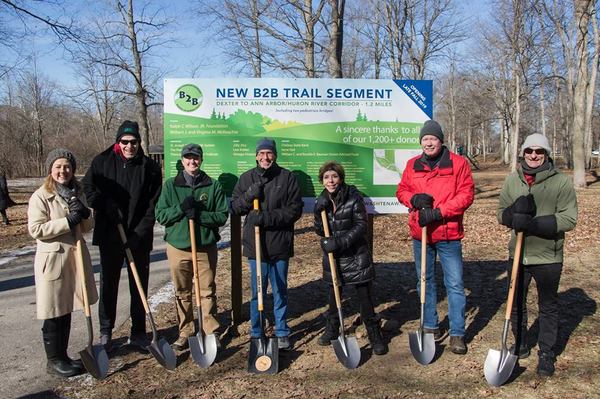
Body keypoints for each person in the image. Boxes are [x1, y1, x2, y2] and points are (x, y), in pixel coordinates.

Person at [497, 133, 577, 377]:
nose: (533, 155)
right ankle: (520, 342)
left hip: (548, 257)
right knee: (516, 302)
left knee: (548, 306)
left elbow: (569, 218)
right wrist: (512, 215)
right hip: (518, 255)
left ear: (546, 154)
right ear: (523, 152)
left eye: (539, 151)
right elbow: (501, 213)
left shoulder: (560, 183)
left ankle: (546, 353)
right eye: (529, 151)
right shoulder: (513, 180)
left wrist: (533, 224)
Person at [396, 119, 474, 355]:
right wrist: (414, 200)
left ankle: (458, 333)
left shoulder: (458, 164)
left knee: (455, 283)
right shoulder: (412, 165)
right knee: (424, 280)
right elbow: (401, 190)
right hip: (421, 234)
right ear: (421, 142)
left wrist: (439, 212)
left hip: (448, 233)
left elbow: (466, 195)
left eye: (433, 139)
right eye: (425, 139)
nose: (429, 143)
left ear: (441, 141)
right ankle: (430, 325)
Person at [83, 120, 162, 352]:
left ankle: (138, 332)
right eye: (125, 142)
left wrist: (139, 233)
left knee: (139, 285)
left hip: (138, 236)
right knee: (109, 284)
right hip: (110, 233)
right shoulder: (102, 162)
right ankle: (106, 332)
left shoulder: (150, 168)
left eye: (134, 142)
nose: (129, 146)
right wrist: (104, 203)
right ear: (118, 142)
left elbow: (152, 204)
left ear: (139, 143)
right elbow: (88, 188)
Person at [28, 149, 98, 377]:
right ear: (51, 169)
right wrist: (66, 221)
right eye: (58, 167)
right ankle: (54, 359)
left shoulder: (77, 192)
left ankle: (64, 355)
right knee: (53, 310)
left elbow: (86, 228)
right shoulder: (41, 196)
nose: (63, 171)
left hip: (73, 258)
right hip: (53, 259)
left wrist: (86, 215)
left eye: (67, 167)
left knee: (66, 307)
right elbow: (36, 229)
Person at [230, 138, 302, 350]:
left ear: (275, 155)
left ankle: (281, 330)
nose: (265, 157)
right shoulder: (246, 178)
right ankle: (256, 330)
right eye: (261, 153)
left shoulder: (287, 178)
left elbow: (294, 210)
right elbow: (234, 207)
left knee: (280, 289)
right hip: (256, 246)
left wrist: (267, 218)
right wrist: (250, 195)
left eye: (269, 153)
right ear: (255, 156)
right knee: (257, 291)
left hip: (279, 244)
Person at [155, 143, 228, 351]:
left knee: (206, 290)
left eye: (195, 158)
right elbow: (161, 215)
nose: (192, 161)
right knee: (182, 291)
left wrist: (201, 216)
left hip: (205, 247)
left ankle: (210, 330)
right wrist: (180, 209)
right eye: (188, 158)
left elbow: (222, 215)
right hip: (178, 247)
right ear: (182, 160)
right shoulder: (171, 185)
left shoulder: (212, 185)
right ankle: (185, 332)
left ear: (201, 160)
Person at [313, 161, 388, 355]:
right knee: (333, 297)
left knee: (365, 298)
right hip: (334, 258)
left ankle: (374, 334)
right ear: (322, 181)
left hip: (355, 256)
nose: (331, 181)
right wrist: (316, 211)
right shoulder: (322, 201)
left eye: (334, 176)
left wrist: (340, 242)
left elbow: (361, 226)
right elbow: (320, 229)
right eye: (327, 177)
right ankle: (332, 329)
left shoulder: (353, 197)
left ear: (341, 178)